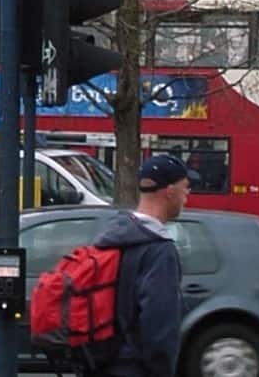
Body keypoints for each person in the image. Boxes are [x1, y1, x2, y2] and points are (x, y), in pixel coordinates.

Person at [95, 152, 192, 377]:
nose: (187, 195)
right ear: (169, 192)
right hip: (134, 366)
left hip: (104, 361)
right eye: (185, 188)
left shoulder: (112, 234)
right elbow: (159, 325)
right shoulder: (159, 251)